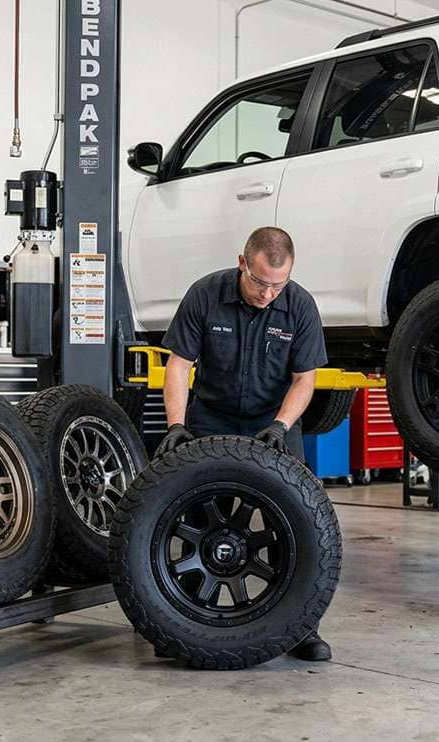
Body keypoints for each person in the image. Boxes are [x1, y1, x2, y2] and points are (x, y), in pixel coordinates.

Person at [155, 225, 331, 662]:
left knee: (296, 521)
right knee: (196, 517)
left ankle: (302, 627)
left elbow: (304, 379)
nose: (268, 293)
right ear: (242, 264)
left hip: (272, 420)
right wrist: (176, 426)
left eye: (278, 285)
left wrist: (281, 423)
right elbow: (179, 365)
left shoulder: (300, 305)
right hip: (211, 415)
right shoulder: (205, 294)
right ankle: (187, 624)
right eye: (259, 282)